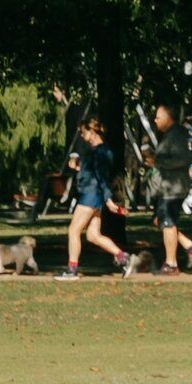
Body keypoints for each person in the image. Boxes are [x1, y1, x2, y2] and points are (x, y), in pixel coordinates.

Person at [62, 118, 135, 277]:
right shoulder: (99, 151)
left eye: (83, 132)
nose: (81, 135)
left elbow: (102, 177)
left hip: (91, 195)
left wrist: (108, 200)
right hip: (95, 196)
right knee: (93, 235)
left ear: (92, 131)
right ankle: (124, 258)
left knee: (73, 230)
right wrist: (78, 167)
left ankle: (72, 270)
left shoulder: (101, 151)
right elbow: (93, 172)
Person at [146, 104, 192, 273]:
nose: (155, 120)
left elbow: (182, 160)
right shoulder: (169, 135)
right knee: (159, 220)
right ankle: (189, 246)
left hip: (173, 187)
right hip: (166, 187)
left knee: (167, 222)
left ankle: (171, 264)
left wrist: (157, 162)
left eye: (158, 117)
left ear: (168, 118)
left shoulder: (177, 135)